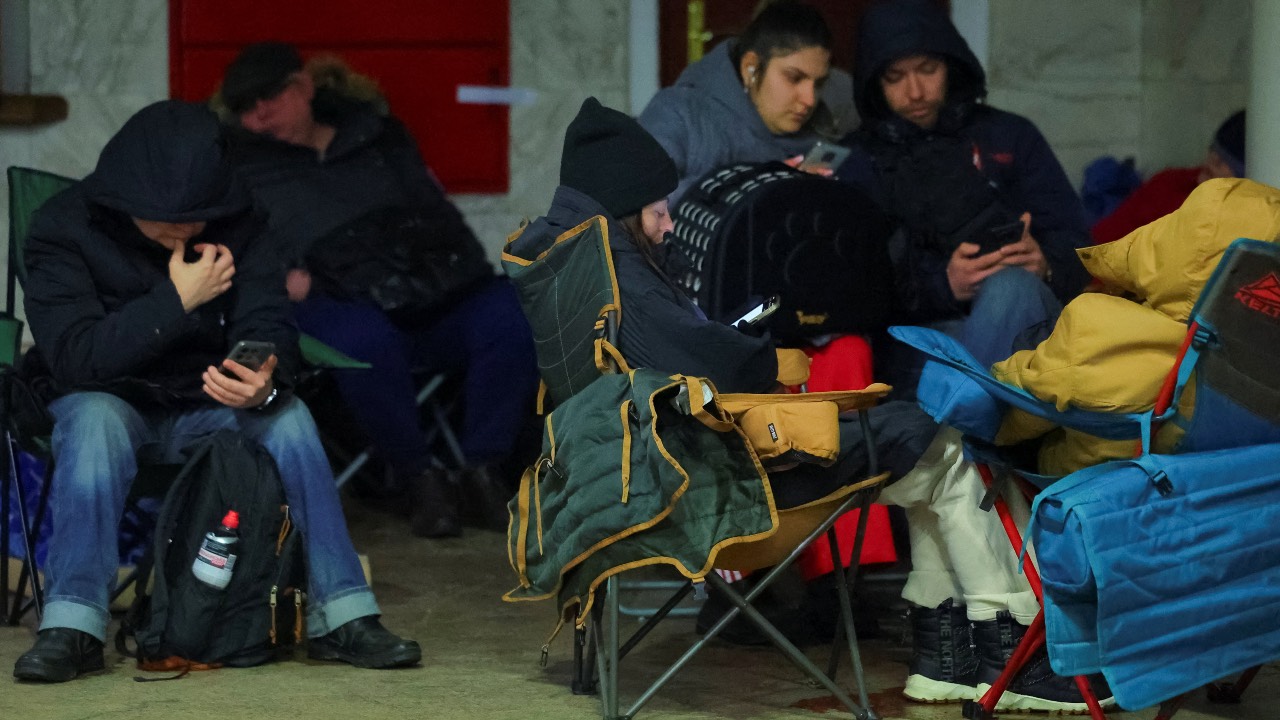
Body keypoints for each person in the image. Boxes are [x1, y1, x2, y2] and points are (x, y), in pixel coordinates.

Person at [11, 101, 419, 683]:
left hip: (208, 403)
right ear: (127, 200)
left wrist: (263, 379)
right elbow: (77, 360)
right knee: (94, 420)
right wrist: (177, 300)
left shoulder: (242, 220)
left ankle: (344, 615)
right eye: (170, 217)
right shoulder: (64, 227)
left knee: (290, 417)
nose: (189, 228)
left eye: (200, 216)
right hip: (109, 398)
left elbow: (270, 319)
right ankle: (73, 626)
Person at [215, 42, 538, 539]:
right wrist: (275, 278)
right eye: (245, 110)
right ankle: (418, 479)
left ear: (302, 88)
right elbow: (227, 244)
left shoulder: (377, 136)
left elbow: (434, 215)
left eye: (268, 100)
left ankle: (484, 471)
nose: (259, 117)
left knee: (512, 312)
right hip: (334, 302)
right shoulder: (242, 165)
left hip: (427, 294)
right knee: (361, 342)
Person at [836, 0, 1091, 398]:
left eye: (928, 70)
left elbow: (1081, 242)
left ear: (950, 66)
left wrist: (1045, 263)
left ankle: (965, 444)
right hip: (923, 336)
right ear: (874, 83)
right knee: (949, 353)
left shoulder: (1009, 136)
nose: (915, 91)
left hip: (1026, 317)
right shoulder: (858, 161)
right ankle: (980, 438)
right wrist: (944, 284)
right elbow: (854, 288)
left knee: (1011, 288)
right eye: (895, 77)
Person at [638, 0, 837, 204]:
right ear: (750, 67)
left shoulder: (822, 138)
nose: (810, 99)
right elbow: (642, 204)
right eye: (793, 78)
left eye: (819, 83)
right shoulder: (679, 114)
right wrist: (748, 185)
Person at [1091, 110, 1246, 244]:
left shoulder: (1244, 224)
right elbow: (1098, 245)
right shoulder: (1170, 186)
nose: (1212, 160)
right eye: (1213, 150)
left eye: (1224, 161)